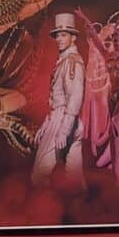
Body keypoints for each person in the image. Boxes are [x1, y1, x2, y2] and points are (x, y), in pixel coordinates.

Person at [32, 10, 86, 189]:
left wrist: (62, 129)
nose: (59, 39)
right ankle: (78, 211)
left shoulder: (71, 62)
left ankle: (44, 211)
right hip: (64, 120)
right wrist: (46, 123)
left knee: (39, 175)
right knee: (75, 178)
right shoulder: (65, 61)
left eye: (64, 35)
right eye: (57, 35)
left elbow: (74, 97)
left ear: (73, 37)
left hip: (64, 119)